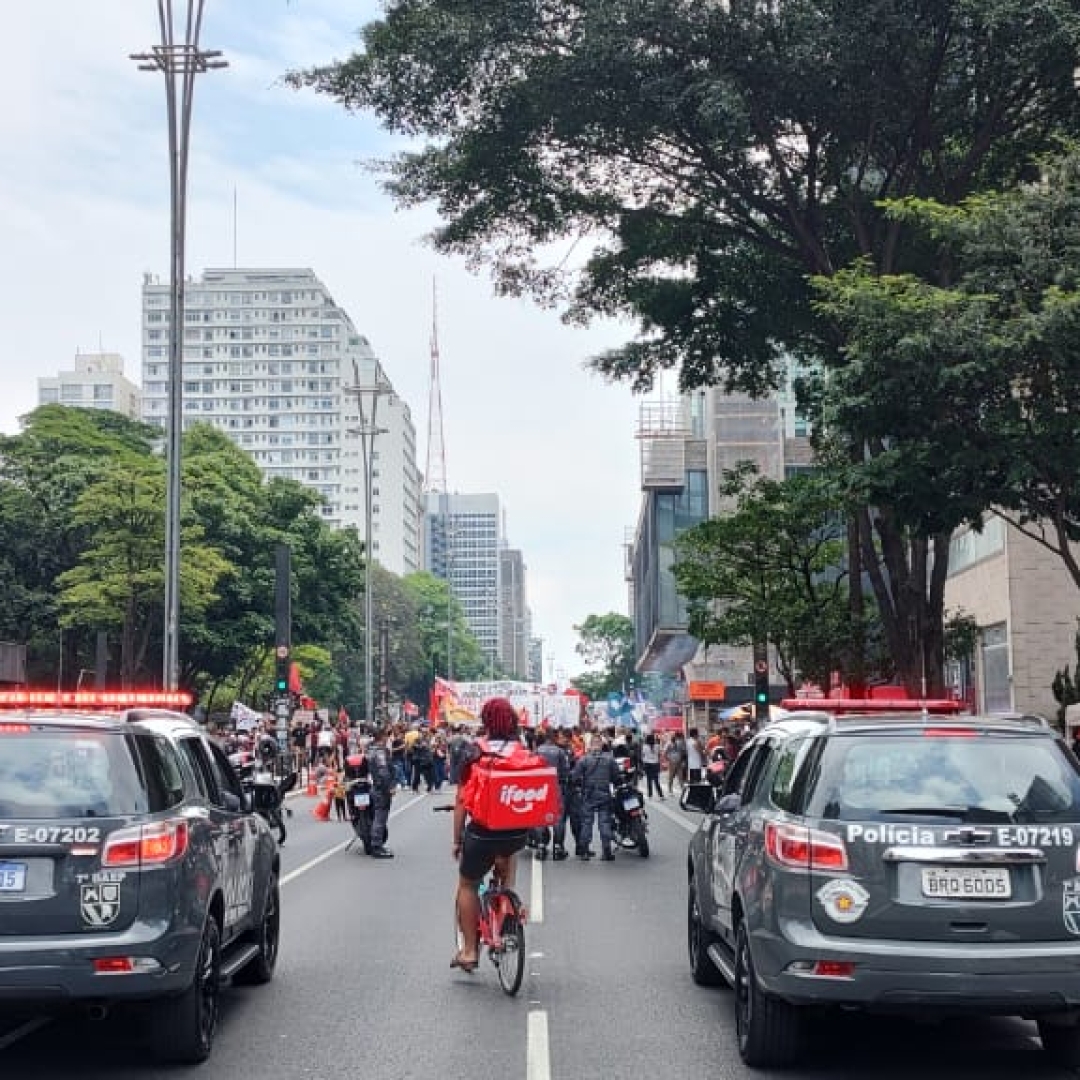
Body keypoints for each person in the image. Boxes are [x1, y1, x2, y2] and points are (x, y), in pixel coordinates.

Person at [451, 697, 531, 972]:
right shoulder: (522, 750)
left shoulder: (473, 751)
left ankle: (470, 951)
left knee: (468, 884)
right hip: (516, 832)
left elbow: (462, 800)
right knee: (508, 867)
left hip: (482, 833)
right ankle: (508, 914)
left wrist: (457, 839)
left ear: (485, 721)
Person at [571, 734, 620, 861]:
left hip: (588, 795)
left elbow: (574, 777)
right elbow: (616, 777)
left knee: (587, 822)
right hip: (604, 794)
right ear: (602, 745)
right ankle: (607, 850)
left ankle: (585, 851)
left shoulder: (584, 760)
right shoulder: (609, 759)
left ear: (591, 745)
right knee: (604, 822)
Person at [534, 727, 572, 860]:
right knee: (558, 818)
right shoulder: (560, 752)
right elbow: (565, 771)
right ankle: (558, 848)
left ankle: (541, 846)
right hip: (556, 786)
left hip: (540, 788)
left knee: (540, 818)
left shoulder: (538, 750)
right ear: (555, 737)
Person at [365, 726, 396, 858]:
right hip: (381, 788)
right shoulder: (380, 752)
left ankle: (376, 844)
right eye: (386, 736)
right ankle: (376, 846)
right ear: (382, 737)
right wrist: (389, 786)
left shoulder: (370, 750)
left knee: (378, 815)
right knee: (380, 816)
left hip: (376, 786)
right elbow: (383, 771)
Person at [640, 732, 664, 799]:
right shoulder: (657, 746)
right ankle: (661, 795)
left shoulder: (644, 746)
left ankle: (650, 795)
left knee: (649, 780)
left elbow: (643, 755)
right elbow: (659, 755)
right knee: (656, 781)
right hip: (655, 764)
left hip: (647, 764)